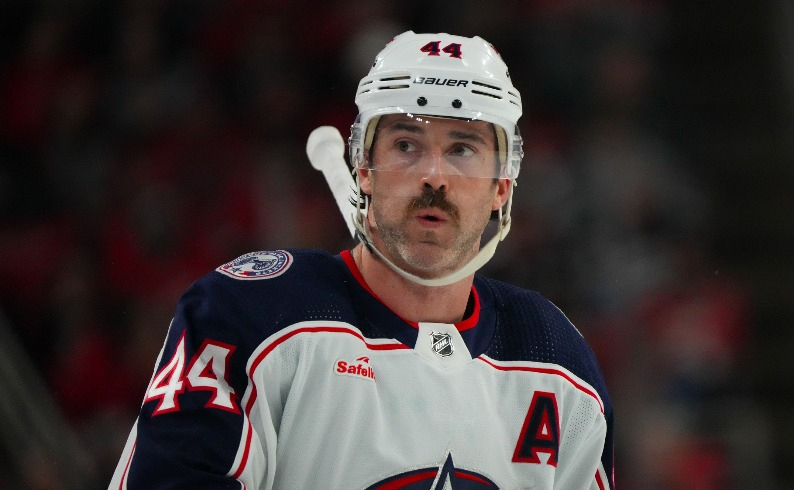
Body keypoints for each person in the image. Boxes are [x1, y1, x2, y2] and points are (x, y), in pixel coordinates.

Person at [109, 31, 614, 489]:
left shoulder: (556, 364)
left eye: (462, 148)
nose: (433, 176)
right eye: (406, 145)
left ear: (502, 186)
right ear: (363, 169)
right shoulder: (251, 315)